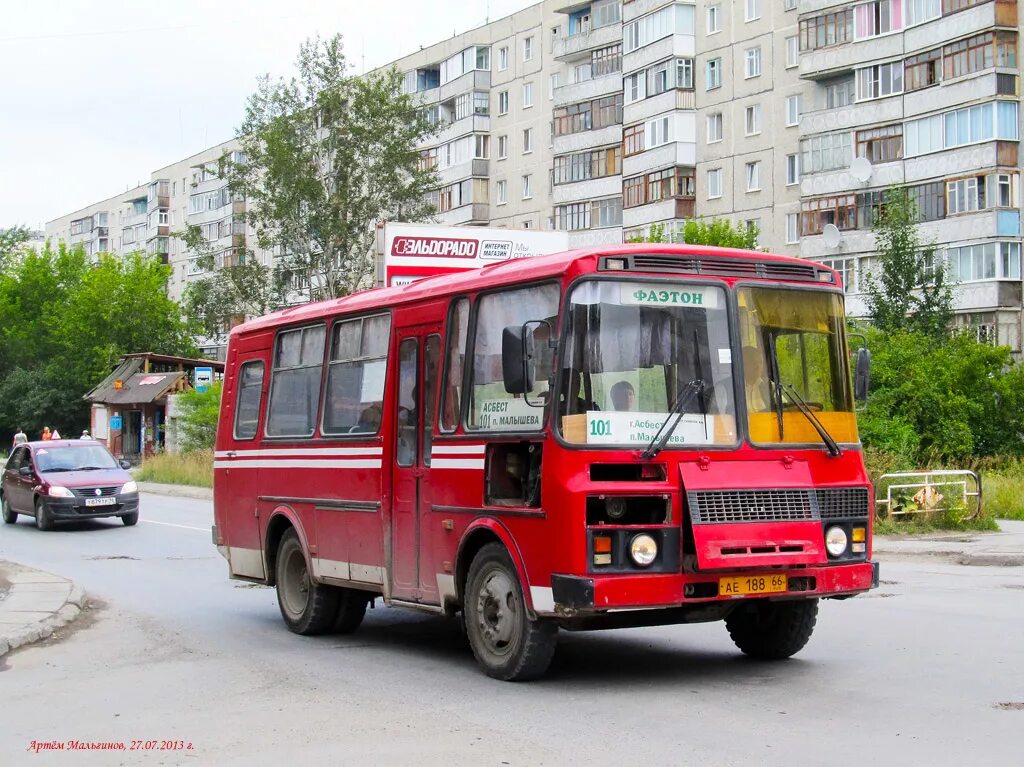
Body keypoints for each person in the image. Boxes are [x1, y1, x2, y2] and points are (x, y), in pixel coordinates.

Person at [742, 346, 772, 412]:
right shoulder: (728, 390)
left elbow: (784, 409)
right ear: (743, 364)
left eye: (760, 362)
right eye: (753, 363)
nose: (758, 366)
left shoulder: (771, 386)